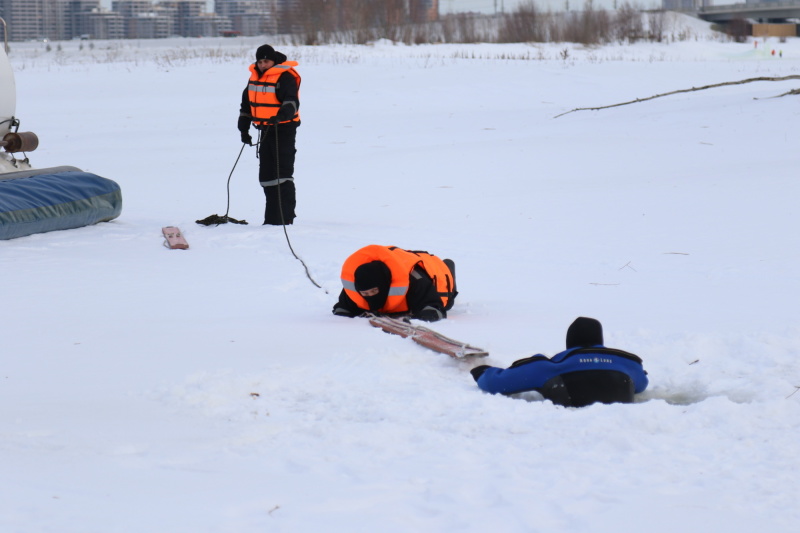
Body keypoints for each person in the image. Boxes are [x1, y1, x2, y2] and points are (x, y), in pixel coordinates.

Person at [471, 317, 648, 407]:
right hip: (620, 434)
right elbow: (641, 384)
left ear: (570, 342)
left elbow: (498, 383)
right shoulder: (629, 363)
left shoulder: (552, 367)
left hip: (574, 430)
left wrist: (481, 371)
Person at [238, 44, 301, 225]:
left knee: (282, 174)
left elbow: (291, 101)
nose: (263, 64)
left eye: (266, 61)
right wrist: (243, 129)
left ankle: (285, 218)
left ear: (273, 61)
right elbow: (246, 106)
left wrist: (281, 116)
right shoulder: (254, 78)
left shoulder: (285, 76)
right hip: (265, 130)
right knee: (266, 176)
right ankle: (271, 219)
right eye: (260, 61)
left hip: (284, 129)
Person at [332, 245, 458, 322]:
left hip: (433, 270)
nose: (370, 296)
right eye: (365, 293)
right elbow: (342, 308)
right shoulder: (355, 288)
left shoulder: (415, 281)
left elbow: (435, 308)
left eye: (374, 291)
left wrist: (419, 318)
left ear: (385, 285)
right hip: (398, 261)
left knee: (449, 298)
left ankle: (448, 265)